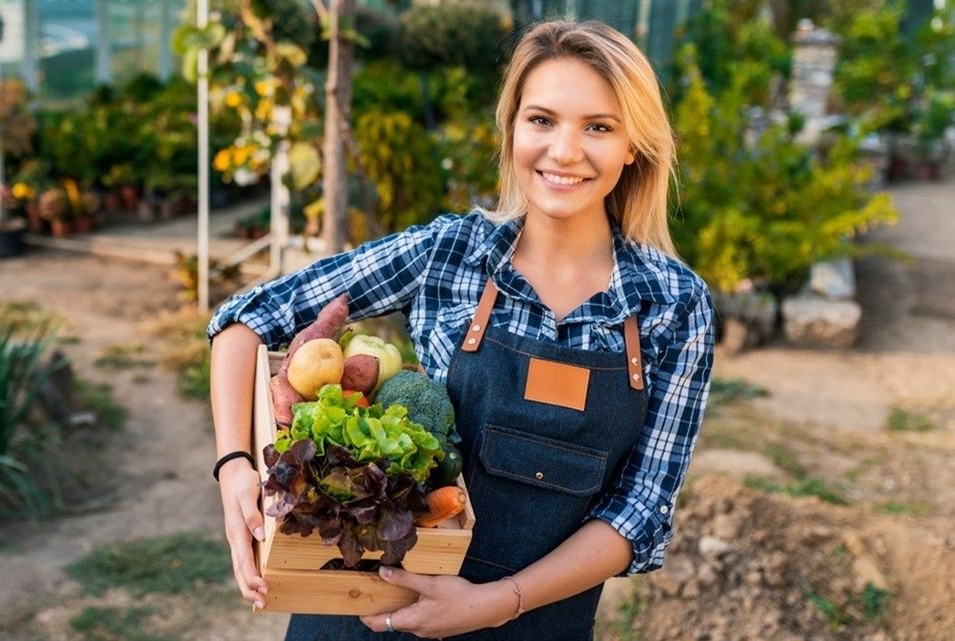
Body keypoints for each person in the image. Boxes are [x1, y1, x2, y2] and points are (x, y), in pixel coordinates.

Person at [207, 19, 715, 641]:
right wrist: (235, 467)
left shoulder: (673, 304)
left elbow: (639, 512)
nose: (564, 150)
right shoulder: (451, 252)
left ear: (635, 145)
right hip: (368, 615)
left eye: (599, 127)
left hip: (536, 622)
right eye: (542, 120)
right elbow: (244, 320)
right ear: (511, 130)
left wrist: (498, 601)